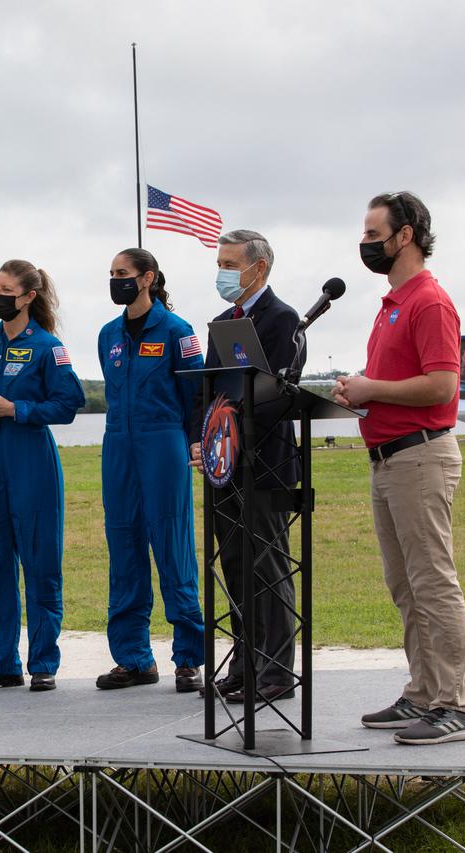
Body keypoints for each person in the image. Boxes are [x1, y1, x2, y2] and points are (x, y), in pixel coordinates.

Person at [334, 191, 465, 745]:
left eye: (374, 235)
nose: (365, 244)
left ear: (407, 235)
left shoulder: (430, 302)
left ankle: (455, 706)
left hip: (420, 457)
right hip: (388, 459)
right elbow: (397, 384)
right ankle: (423, 693)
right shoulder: (391, 303)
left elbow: (443, 386)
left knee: (433, 583)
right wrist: (361, 391)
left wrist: (373, 388)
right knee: (405, 586)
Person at [0, 260, 85, 692]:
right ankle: (0, 663)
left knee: (41, 563)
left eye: (7, 289)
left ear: (28, 296)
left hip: (33, 461)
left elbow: (69, 403)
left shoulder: (49, 347)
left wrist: (17, 409)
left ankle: (43, 662)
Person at [189, 230, 303, 704]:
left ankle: (275, 670)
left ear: (259, 268)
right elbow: (211, 388)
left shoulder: (283, 319)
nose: (223, 273)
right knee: (234, 567)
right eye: (220, 263)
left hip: (265, 462)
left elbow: (281, 389)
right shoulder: (223, 320)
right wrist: (203, 439)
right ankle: (244, 663)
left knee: (267, 565)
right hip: (225, 466)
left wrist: (237, 430)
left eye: (231, 264)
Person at [95, 248, 206, 693]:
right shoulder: (108, 335)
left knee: (172, 545)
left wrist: (195, 440)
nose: (115, 280)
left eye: (122, 273)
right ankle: (134, 658)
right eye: (111, 274)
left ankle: (189, 657)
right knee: (123, 548)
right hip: (118, 446)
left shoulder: (178, 332)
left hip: (163, 443)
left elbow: (196, 396)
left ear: (147, 278)